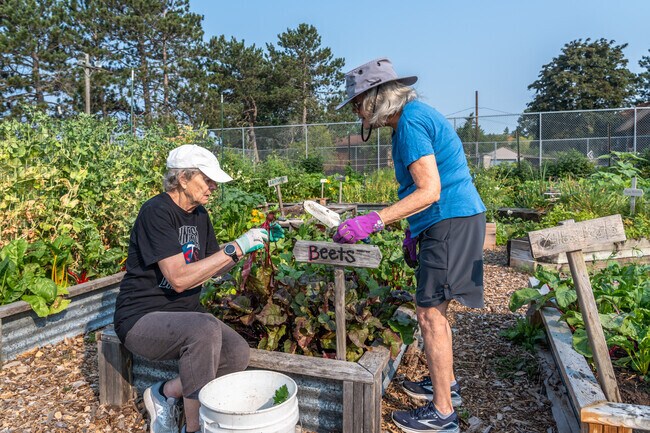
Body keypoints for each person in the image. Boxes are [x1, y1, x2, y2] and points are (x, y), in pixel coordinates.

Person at [333, 58, 486, 433]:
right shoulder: (413, 117)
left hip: (449, 220)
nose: (356, 110)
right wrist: (412, 230)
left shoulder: (411, 124)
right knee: (436, 311)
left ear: (377, 98)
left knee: (429, 314)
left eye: (357, 102)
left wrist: (375, 220)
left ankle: (443, 413)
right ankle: (445, 386)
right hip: (453, 219)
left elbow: (430, 190)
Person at [113, 144, 284, 433]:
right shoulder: (156, 212)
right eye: (207, 180)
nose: (213, 187)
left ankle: (166, 393)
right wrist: (235, 246)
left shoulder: (199, 215)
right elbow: (179, 279)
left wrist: (246, 248)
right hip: (142, 318)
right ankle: (194, 428)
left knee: (236, 354)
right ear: (182, 178)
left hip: (184, 315)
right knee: (203, 329)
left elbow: (211, 269)